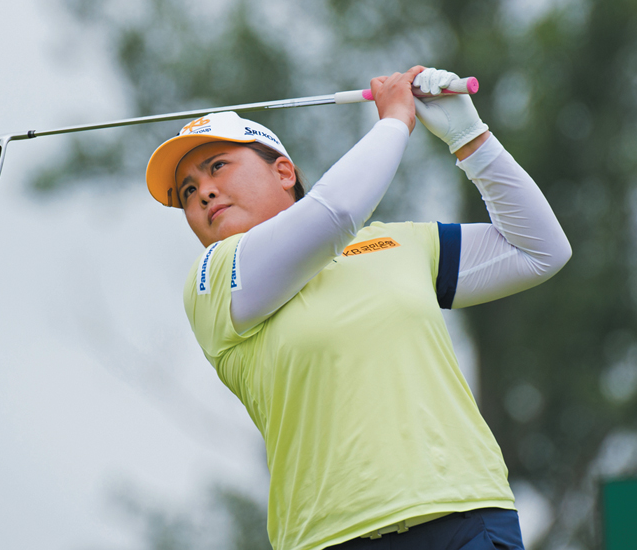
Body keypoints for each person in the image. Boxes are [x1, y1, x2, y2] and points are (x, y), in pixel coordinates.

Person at [145, 66, 571, 550]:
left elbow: (540, 251)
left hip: (465, 514)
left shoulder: (397, 243)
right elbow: (335, 212)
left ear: (284, 171)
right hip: (333, 536)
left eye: (217, 166)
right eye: (186, 192)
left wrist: (470, 138)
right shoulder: (215, 282)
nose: (202, 192)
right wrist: (395, 121)